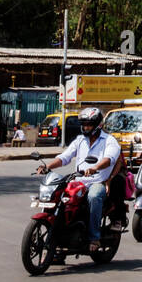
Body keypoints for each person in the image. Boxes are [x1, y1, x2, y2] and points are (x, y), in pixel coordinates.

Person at [38, 107, 121, 252]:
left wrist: (95, 168)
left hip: (97, 181)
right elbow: (65, 157)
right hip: (79, 181)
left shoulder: (109, 141)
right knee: (58, 196)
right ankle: (59, 236)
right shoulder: (80, 140)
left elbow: (109, 159)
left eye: (89, 124)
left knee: (94, 196)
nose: (85, 127)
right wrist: (48, 166)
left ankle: (94, 237)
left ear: (98, 125)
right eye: (83, 124)